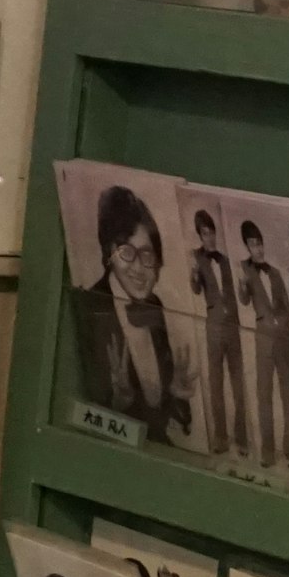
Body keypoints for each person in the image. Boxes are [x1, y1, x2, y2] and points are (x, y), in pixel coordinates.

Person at [67, 184, 185, 434]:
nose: (139, 268)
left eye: (148, 255)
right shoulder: (88, 307)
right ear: (108, 254)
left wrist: (175, 393)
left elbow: (166, 411)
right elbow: (79, 411)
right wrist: (118, 405)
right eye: (126, 252)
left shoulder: (154, 306)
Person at [192, 205, 250, 457]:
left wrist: (244, 287)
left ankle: (242, 439)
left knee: (238, 384)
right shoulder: (197, 259)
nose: (210, 237)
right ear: (200, 235)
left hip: (233, 328)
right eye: (205, 233)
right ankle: (220, 437)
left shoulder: (227, 261)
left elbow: (243, 299)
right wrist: (193, 275)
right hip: (213, 328)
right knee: (216, 384)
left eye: (212, 232)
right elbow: (195, 290)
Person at [241, 218, 289, 469]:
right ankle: (267, 451)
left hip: (283, 341)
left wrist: (281, 323)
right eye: (253, 244)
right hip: (263, 343)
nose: (259, 248)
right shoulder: (245, 270)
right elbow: (243, 300)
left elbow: (287, 308)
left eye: (260, 243)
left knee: (288, 398)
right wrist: (242, 286)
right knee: (264, 397)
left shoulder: (274, 273)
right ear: (247, 246)